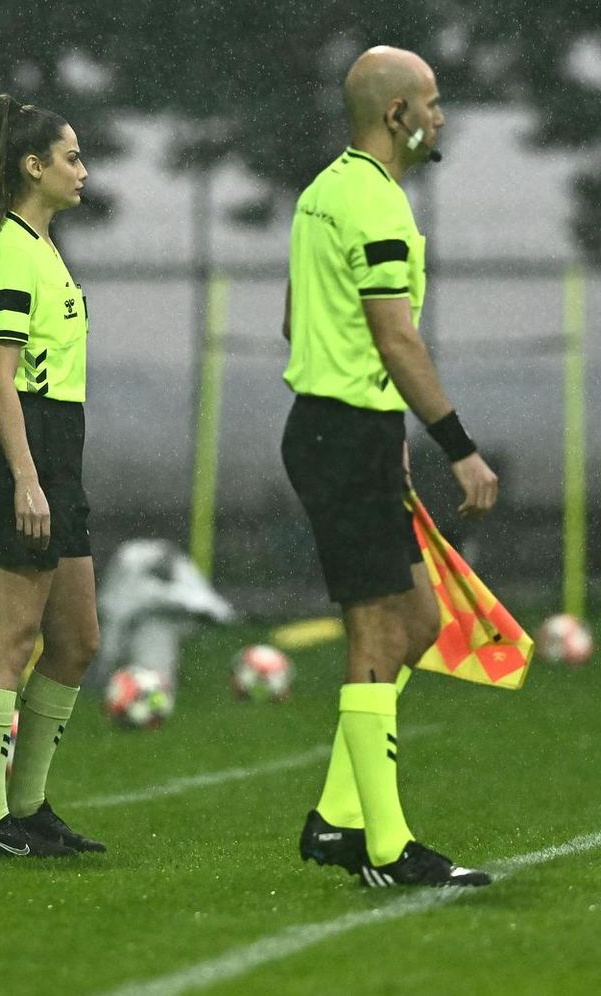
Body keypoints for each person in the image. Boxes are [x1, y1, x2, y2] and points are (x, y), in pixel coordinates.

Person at [284, 46, 499, 888]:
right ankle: (387, 846)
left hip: (345, 430)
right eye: (431, 102)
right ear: (396, 112)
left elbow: (297, 320)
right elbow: (395, 335)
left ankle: (337, 819)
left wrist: (381, 418)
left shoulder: (323, 192)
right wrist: (460, 447)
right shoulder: (374, 203)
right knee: (377, 632)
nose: (440, 117)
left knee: (416, 622)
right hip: (342, 436)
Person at [0, 94, 106, 860]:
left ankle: (30, 808)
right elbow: (1, 376)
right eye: (72, 157)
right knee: (9, 641)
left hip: (58, 452)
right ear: (34, 166)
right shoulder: (12, 252)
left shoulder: (43, 247)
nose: (83, 170)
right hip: (24, 451)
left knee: (76, 639)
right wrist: (25, 477)